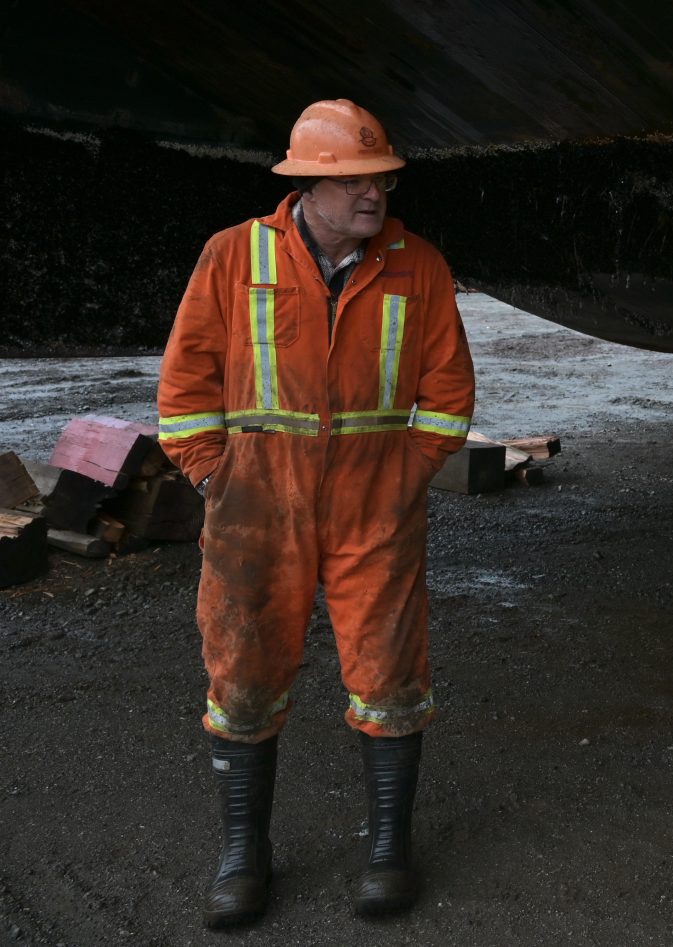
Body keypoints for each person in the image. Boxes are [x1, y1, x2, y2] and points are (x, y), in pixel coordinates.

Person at [157, 99, 475, 927]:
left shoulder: (418, 265)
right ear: (308, 183)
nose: (377, 194)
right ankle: (242, 853)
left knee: (392, 676)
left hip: (376, 508)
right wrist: (213, 476)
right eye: (359, 180)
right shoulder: (233, 256)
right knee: (243, 675)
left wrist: (407, 475)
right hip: (257, 509)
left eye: (384, 178)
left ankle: (386, 850)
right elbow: (186, 383)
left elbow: (447, 393)